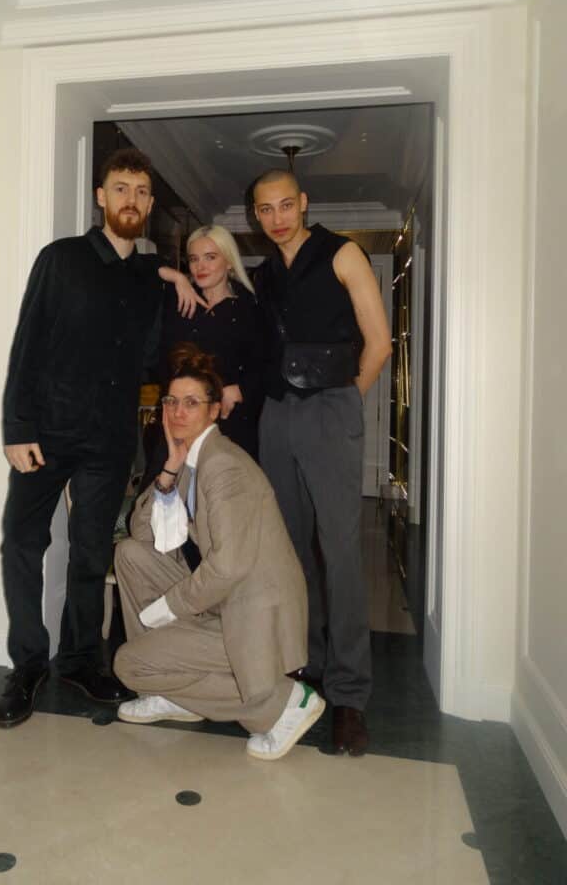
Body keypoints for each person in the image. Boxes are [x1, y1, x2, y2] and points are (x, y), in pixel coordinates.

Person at [0, 147, 203, 728]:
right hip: (47, 433)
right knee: (22, 543)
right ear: (100, 196)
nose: (130, 200)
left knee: (90, 552)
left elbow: (154, 352)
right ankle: (28, 664)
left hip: (109, 440)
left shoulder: (147, 278)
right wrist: (17, 427)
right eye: (120, 188)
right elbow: (28, 342)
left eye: (140, 191)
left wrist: (173, 275)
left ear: (150, 203)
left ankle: (80, 660)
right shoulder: (60, 259)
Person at [113, 344, 324, 761]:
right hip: (225, 602)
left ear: (214, 411)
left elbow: (228, 567)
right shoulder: (190, 461)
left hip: (254, 614)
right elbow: (142, 533)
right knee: (131, 555)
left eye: (191, 403)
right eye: (171, 401)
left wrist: (168, 608)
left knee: (129, 665)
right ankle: (170, 694)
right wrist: (169, 471)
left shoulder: (223, 466)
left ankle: (282, 701)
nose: (177, 412)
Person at [249, 168, 392, 757]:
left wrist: (344, 402)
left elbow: (379, 343)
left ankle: (350, 694)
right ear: (256, 215)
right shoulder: (263, 276)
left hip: (331, 407)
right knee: (290, 549)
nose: (277, 218)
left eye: (286, 205)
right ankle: (303, 665)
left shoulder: (343, 253)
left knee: (340, 551)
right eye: (265, 209)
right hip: (276, 415)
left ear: (304, 203)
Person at [159, 224, 263, 459]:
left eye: (210, 257)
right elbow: (139, 269)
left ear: (229, 262)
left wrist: (241, 389)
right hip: (180, 420)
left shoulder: (250, 308)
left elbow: (267, 363)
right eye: (194, 259)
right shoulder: (176, 301)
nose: (200, 266)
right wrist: (177, 277)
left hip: (231, 423)